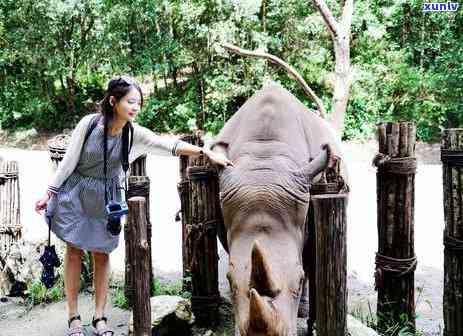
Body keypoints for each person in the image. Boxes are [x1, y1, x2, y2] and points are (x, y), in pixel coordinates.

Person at [35, 75, 233, 336]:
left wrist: (204, 153)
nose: (135, 107)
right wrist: (50, 192)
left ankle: (100, 317)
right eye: (131, 101)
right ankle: (73, 318)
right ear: (113, 100)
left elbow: (168, 145)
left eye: (139, 103)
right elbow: (69, 161)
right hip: (77, 192)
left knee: (101, 254)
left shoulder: (133, 133)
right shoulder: (90, 124)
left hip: (106, 198)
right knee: (73, 252)